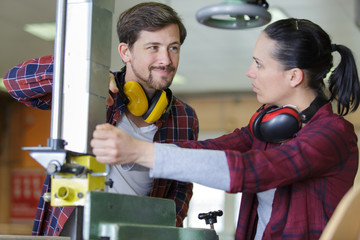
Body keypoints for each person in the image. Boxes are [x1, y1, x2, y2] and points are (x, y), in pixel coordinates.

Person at [90, 18, 360, 240]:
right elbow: (210, 148)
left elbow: (251, 170)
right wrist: (132, 153)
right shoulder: (267, 124)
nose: (249, 72)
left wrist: (139, 153)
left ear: (294, 76)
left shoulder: (334, 134)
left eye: (259, 64)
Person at [3, 2, 198, 237]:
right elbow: (15, 83)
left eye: (173, 48)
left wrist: (162, 230)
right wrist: (81, 72)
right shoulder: (91, 91)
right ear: (126, 51)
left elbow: (181, 189)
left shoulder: (184, 117)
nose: (166, 59)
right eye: (153, 47)